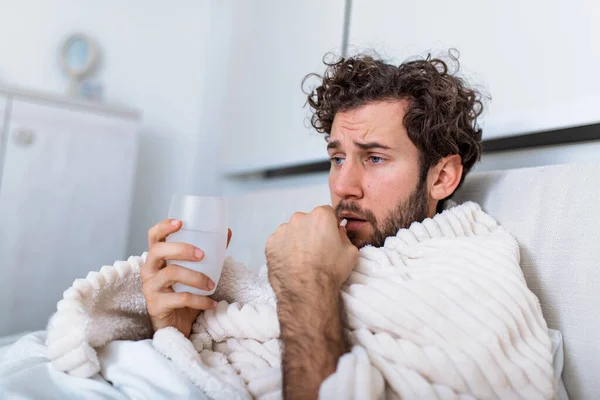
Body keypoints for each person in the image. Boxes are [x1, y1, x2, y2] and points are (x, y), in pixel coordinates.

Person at [141, 53, 484, 398]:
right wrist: (178, 331)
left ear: (441, 177)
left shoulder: (469, 280)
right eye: (337, 159)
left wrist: (305, 280)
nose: (342, 186)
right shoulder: (333, 251)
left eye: (375, 158)